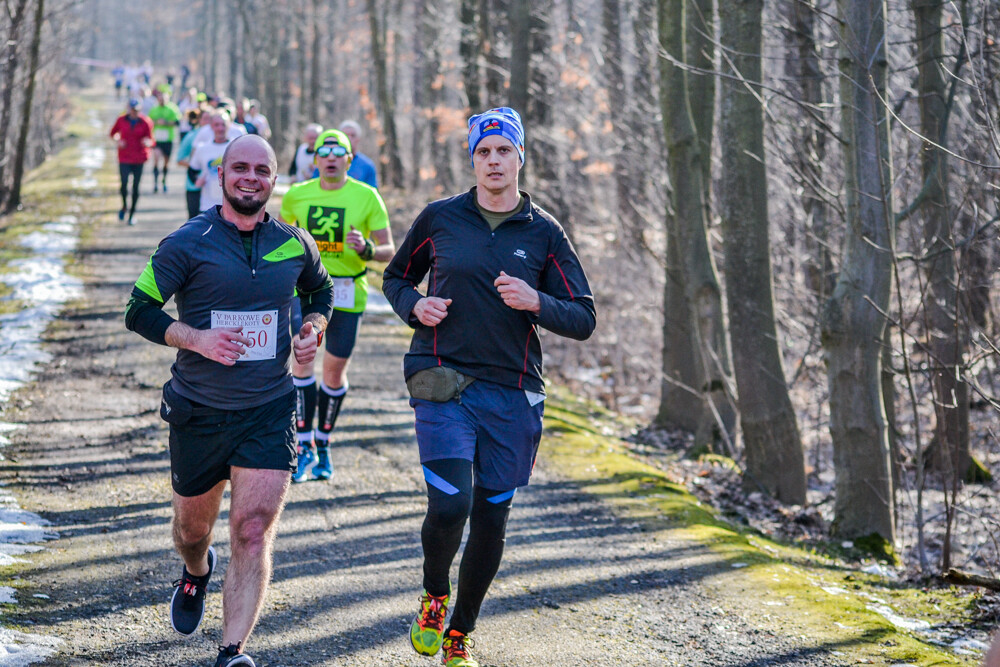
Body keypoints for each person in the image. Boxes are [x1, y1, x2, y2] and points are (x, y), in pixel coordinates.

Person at [382, 107, 596, 667]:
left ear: (520, 157)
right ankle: (433, 595)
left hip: (513, 390)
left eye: (504, 151)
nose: (494, 160)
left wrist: (536, 302)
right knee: (452, 504)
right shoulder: (441, 219)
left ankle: (460, 634)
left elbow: (583, 316)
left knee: (492, 518)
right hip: (440, 375)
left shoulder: (545, 233)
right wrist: (415, 306)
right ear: (472, 159)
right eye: (484, 151)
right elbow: (396, 276)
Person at [124, 134, 333, 667]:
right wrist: (197, 339)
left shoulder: (294, 241)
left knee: (254, 528)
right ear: (221, 174)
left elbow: (321, 292)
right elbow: (139, 310)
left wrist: (313, 325)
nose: (251, 178)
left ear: (274, 179)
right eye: (240, 168)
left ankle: (231, 652)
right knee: (192, 531)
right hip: (198, 409)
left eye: (262, 170)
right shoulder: (186, 241)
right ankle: (196, 571)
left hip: (268, 408)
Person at [279, 129, 394, 482]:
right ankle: (302, 445)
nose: (330, 159)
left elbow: (390, 250)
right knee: (302, 362)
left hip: (348, 292)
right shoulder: (297, 195)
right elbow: (280, 247)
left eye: (338, 153)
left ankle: (324, 442)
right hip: (307, 291)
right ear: (314, 159)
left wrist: (367, 250)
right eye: (323, 153)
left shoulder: (366, 196)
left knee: (333, 371)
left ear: (349, 159)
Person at [109, 98, 153, 226]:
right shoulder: (121, 120)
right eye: (133, 110)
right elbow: (112, 134)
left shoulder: (145, 122)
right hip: (124, 156)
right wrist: (118, 141)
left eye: (137, 110)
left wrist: (147, 142)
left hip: (139, 157)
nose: (135, 113)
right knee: (123, 184)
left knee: (136, 187)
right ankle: (124, 206)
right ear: (129, 109)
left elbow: (151, 139)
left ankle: (132, 214)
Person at [189, 111, 234, 212]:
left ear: (229, 125)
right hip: (208, 206)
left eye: (223, 125)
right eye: (216, 125)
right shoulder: (203, 148)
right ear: (211, 126)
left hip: (232, 205)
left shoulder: (236, 147)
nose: (220, 128)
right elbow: (192, 170)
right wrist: (197, 181)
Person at [175, 106, 209, 219]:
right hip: (194, 185)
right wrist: (196, 166)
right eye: (205, 119)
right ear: (199, 120)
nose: (208, 122)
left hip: (213, 188)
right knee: (194, 220)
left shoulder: (221, 138)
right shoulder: (191, 136)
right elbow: (179, 160)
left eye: (210, 119)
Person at [148, 87, 182, 194]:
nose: (162, 100)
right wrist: (156, 122)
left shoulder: (172, 108)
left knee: (166, 163)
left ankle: (164, 181)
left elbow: (177, 123)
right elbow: (149, 122)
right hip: (157, 139)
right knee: (156, 159)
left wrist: (166, 123)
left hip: (168, 139)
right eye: (160, 98)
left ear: (167, 99)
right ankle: (155, 184)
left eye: (164, 98)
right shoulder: (154, 109)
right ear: (157, 99)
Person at [339, 120, 378, 189]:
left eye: (353, 135)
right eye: (345, 135)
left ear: (358, 139)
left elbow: (372, 193)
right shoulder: (327, 162)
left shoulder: (367, 165)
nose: (349, 138)